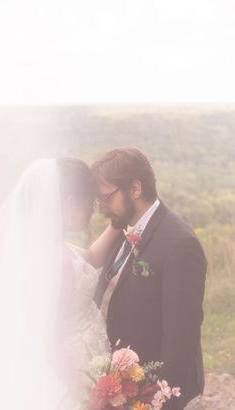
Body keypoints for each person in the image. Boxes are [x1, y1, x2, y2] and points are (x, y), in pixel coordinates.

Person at [0, 157, 119, 410]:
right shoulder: (54, 261)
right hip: (74, 376)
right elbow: (50, 340)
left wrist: (119, 222)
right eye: (89, 203)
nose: (93, 210)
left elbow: (90, 257)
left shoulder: (54, 249)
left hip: (84, 368)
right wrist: (86, 393)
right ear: (70, 204)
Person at [91, 146, 207, 410]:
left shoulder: (180, 243)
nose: (102, 209)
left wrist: (159, 400)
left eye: (106, 198)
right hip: (118, 389)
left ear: (135, 189)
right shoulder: (123, 226)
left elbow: (181, 335)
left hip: (152, 393)